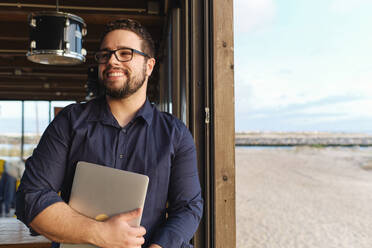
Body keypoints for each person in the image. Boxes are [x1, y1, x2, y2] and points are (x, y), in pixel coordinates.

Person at [16, 19, 203, 248]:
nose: (112, 60)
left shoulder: (175, 134)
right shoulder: (69, 122)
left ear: (150, 66)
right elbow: (30, 197)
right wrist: (100, 233)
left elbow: (188, 208)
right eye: (106, 54)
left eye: (125, 53)